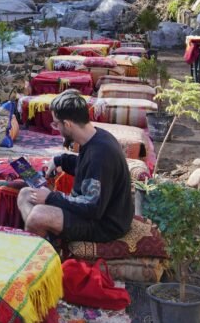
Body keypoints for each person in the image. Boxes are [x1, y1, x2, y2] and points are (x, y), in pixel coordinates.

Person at [17, 91, 133, 243]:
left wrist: (51, 198)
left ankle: (42, 255)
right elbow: (84, 165)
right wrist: (59, 160)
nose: (56, 128)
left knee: (38, 215)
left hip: (104, 224)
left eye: (56, 124)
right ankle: (46, 240)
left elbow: (93, 208)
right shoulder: (95, 137)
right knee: (25, 194)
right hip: (91, 209)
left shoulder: (100, 155)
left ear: (68, 124)